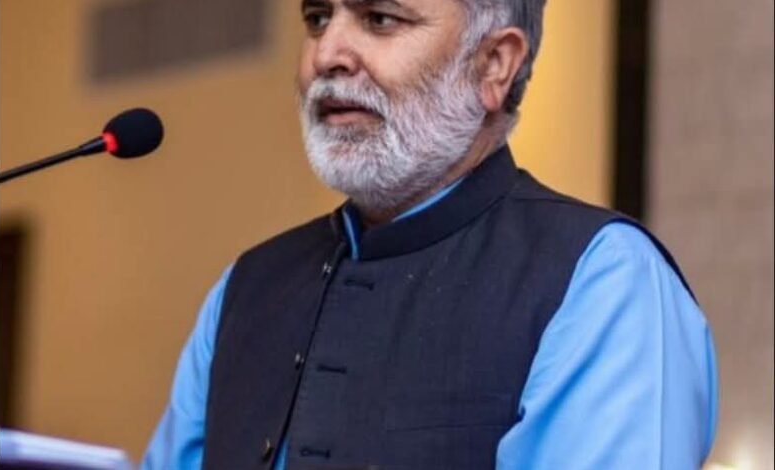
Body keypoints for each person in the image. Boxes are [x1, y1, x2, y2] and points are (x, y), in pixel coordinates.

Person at [143, 0, 718, 468]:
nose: (327, 55)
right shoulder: (246, 289)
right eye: (317, 18)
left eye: (379, 19)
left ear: (494, 65)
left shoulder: (603, 280)